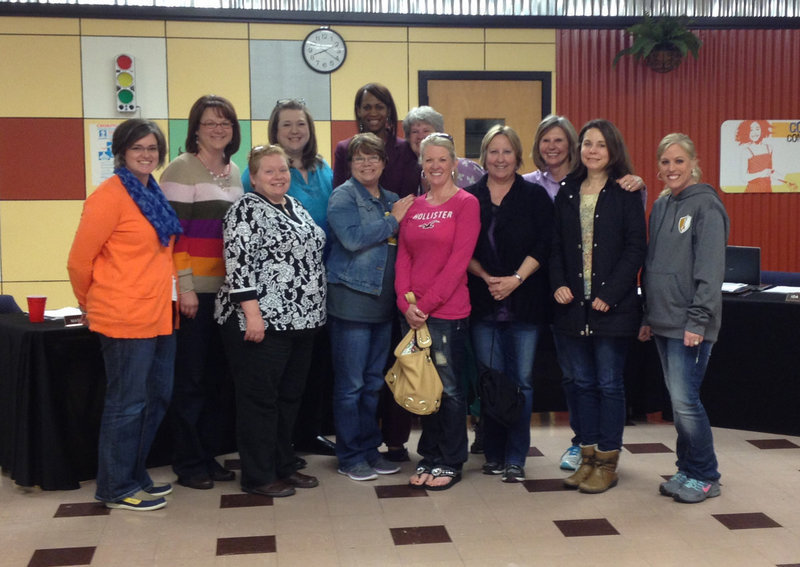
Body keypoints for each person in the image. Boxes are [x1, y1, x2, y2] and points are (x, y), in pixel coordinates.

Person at [67, 119, 182, 511]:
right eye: (138, 148)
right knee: (127, 403)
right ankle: (115, 487)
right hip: (123, 316)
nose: (146, 155)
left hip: (160, 313)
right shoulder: (110, 195)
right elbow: (79, 261)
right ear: (121, 152)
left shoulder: (152, 192)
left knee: (156, 398)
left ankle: (134, 475)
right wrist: (90, 303)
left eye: (152, 148)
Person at [523, 114, 645, 472]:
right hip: (572, 305)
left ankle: (608, 456)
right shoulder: (569, 191)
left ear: (613, 150)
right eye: (587, 144)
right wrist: (559, 282)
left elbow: (635, 248)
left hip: (613, 306)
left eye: (600, 144)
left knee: (608, 383)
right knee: (580, 383)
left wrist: (610, 293)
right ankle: (586, 450)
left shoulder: (626, 191)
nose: (592, 151)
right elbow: (556, 244)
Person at [216, 145, 326, 498]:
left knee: (288, 399)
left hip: (300, 323)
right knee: (260, 401)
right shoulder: (244, 210)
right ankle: (258, 475)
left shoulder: (294, 205)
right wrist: (253, 315)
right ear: (254, 177)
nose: (279, 176)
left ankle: (282, 464)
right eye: (269, 171)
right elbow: (239, 266)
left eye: (283, 170)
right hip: (260, 324)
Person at [241, 98, 336, 458]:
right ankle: (277, 452)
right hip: (275, 298)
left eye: (301, 124)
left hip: (317, 288)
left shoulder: (324, 168)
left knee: (309, 374)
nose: (296, 131)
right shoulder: (265, 175)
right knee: (275, 384)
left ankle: (306, 435)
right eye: (287, 125)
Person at [638, 133, 729, 503]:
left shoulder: (707, 206)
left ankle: (706, 475)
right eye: (665, 162)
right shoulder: (661, 206)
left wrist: (698, 320)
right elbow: (653, 264)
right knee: (678, 402)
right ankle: (687, 469)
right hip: (661, 320)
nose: (671, 168)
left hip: (690, 325)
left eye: (678, 161)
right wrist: (647, 314)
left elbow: (710, 271)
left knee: (686, 401)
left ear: (693, 162)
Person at [160, 94, 243, 490]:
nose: (218, 129)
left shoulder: (236, 170)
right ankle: (188, 461)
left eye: (224, 122)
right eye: (210, 122)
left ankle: (209, 454)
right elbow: (173, 235)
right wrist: (185, 288)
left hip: (229, 292)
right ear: (196, 128)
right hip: (194, 292)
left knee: (216, 379)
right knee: (190, 380)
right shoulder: (181, 169)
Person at [465, 125, 553, 483]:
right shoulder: (469, 197)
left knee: (522, 382)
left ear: (518, 156)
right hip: (484, 301)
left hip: (526, 300)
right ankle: (495, 452)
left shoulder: (534, 196)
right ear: (483, 156)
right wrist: (487, 278)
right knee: (492, 381)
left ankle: (517, 456)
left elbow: (545, 245)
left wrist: (515, 279)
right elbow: (463, 249)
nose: (500, 158)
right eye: (493, 151)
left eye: (507, 152)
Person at [326, 133, 415, 481]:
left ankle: (368, 449)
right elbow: (352, 239)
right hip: (350, 304)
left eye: (373, 158)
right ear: (350, 165)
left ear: (383, 162)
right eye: (359, 158)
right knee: (350, 386)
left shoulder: (391, 199)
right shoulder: (342, 197)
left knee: (373, 384)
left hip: (382, 306)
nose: (367, 164)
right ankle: (349, 456)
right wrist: (393, 221)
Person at [396, 133, 480, 491]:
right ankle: (429, 455)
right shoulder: (413, 207)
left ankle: (450, 459)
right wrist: (406, 304)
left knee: (449, 389)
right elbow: (403, 259)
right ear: (422, 165)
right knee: (424, 387)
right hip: (414, 314)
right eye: (428, 160)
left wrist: (425, 306)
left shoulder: (466, 203)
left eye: (442, 159)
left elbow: (457, 264)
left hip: (448, 312)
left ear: (454, 163)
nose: (435, 166)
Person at [333, 83, 419, 197]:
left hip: (399, 213)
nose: (373, 113)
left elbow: (408, 197)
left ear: (388, 110)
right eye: (367, 107)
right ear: (358, 111)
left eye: (379, 107)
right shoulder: (344, 149)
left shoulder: (405, 149)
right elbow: (339, 194)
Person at [402, 106, 485, 191]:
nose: (420, 136)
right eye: (415, 131)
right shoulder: (408, 172)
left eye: (426, 131)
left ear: (438, 133)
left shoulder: (467, 168)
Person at [734, 120, 796, 192]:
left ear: (762, 129)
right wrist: (761, 173)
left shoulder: (769, 148)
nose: (754, 133)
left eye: (757, 129)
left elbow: (770, 172)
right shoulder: (746, 151)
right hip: (753, 190)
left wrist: (787, 181)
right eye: (751, 130)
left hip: (768, 189)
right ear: (747, 132)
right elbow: (744, 177)